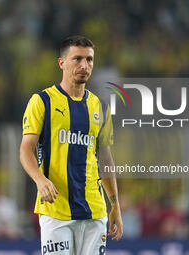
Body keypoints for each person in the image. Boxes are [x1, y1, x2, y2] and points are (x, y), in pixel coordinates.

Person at [20, 35, 123, 254]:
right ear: (62, 63)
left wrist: (114, 204)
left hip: (95, 210)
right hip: (56, 209)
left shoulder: (100, 107)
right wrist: (40, 180)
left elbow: (105, 158)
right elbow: (25, 149)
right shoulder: (42, 101)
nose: (84, 65)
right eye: (77, 59)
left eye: (89, 60)